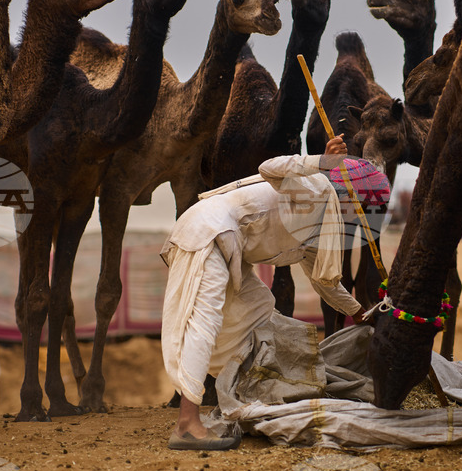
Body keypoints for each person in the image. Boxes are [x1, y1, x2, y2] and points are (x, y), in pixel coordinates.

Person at [160, 135, 389, 450]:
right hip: (209, 233)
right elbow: (270, 167)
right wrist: (321, 162)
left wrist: (361, 315)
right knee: (206, 322)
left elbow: (325, 283)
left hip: (228, 248)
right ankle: (186, 424)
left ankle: (244, 393)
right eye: (366, 209)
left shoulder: (321, 228)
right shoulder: (317, 190)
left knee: (257, 312)